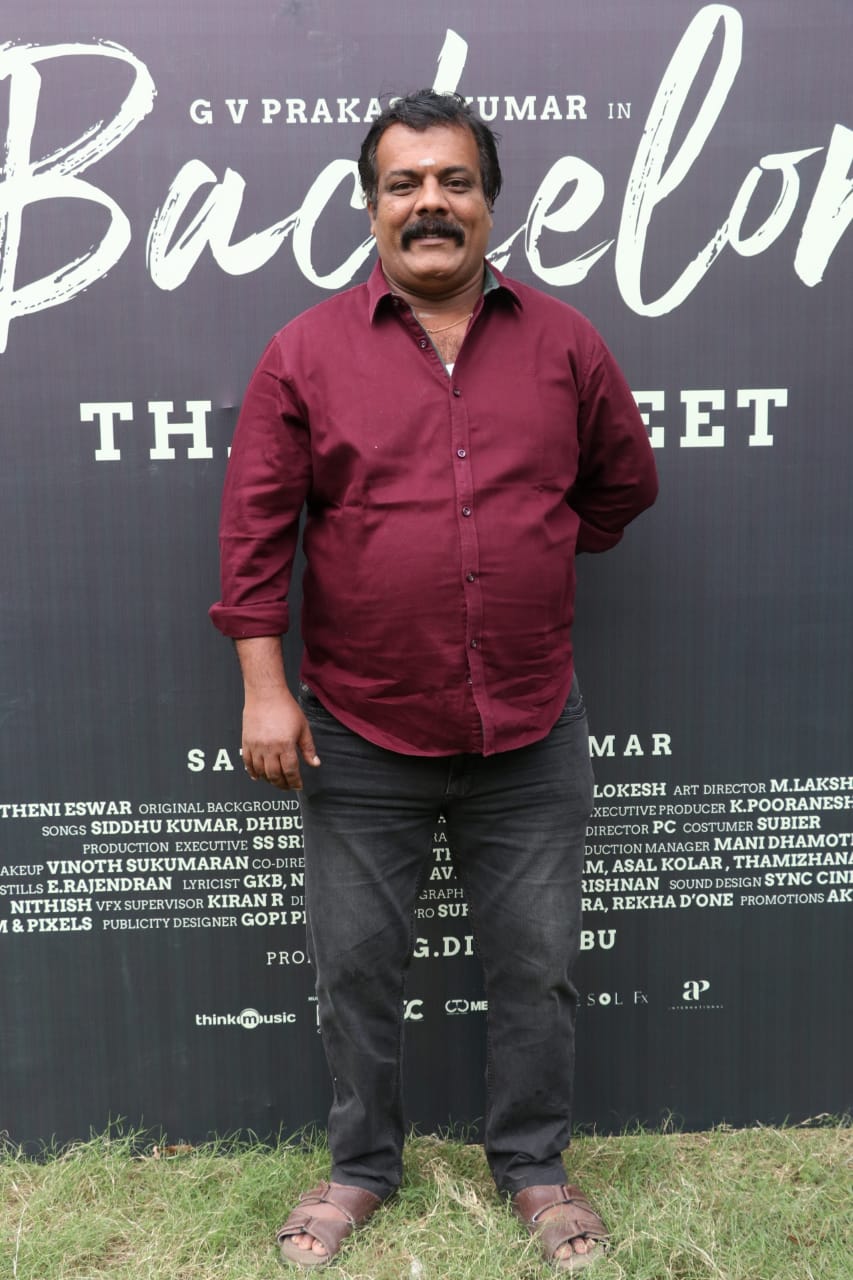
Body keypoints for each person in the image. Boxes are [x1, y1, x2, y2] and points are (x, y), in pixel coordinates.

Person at [211, 89, 657, 1273]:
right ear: (370, 205)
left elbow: (623, 485)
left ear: (488, 201)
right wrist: (264, 687)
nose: (429, 203)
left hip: (530, 722)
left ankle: (535, 1165)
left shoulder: (565, 343)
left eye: (453, 181)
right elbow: (255, 534)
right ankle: (362, 1164)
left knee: (536, 969)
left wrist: (532, 539)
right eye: (403, 183)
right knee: (355, 969)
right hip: (360, 728)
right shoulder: (305, 351)